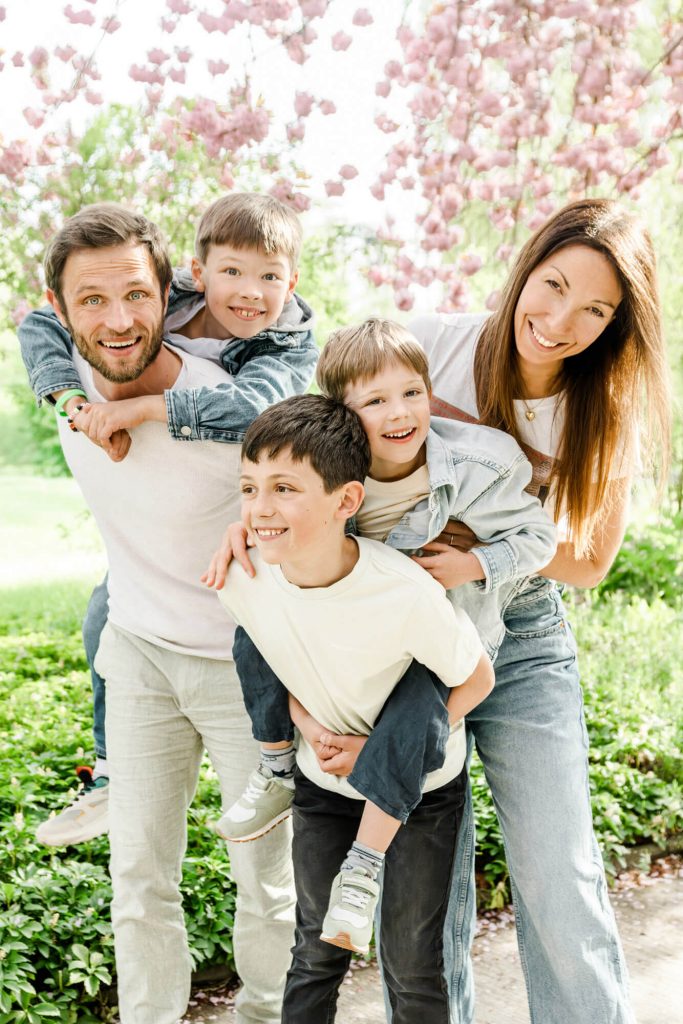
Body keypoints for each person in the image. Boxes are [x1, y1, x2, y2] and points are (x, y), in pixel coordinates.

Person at [22, 203, 301, 1024]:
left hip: (242, 667)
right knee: (139, 875)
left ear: (170, 291)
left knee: (264, 879)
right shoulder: (65, 386)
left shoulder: (232, 407)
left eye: (136, 295)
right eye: (92, 301)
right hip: (138, 655)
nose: (118, 320)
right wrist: (73, 404)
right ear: (61, 308)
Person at [404, 197, 671, 1024]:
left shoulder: (604, 408)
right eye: (551, 287)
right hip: (414, 630)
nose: (559, 322)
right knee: (424, 891)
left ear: (617, 323)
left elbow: (589, 561)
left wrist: (487, 545)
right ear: (525, 267)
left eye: (593, 310)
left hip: (522, 629)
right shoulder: (427, 346)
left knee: (560, 870)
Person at [213, 319, 557, 955]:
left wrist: (474, 562)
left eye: (412, 393)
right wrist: (247, 529)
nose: (399, 414)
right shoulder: (329, 469)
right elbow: (278, 498)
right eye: (374, 402)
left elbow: (543, 538)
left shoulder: (481, 464)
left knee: (417, 707)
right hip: (352, 637)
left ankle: (364, 866)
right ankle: (276, 764)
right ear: (340, 415)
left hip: (435, 636)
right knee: (252, 636)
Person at [217, 393, 493, 1022]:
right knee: (314, 952)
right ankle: (277, 769)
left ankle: (367, 866)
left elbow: (476, 680)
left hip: (420, 791)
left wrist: (378, 754)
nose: (261, 507)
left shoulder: (402, 592)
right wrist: (311, 731)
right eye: (250, 487)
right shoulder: (247, 578)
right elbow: (272, 663)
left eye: (285, 488)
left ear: (346, 501)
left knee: (413, 965)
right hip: (323, 780)